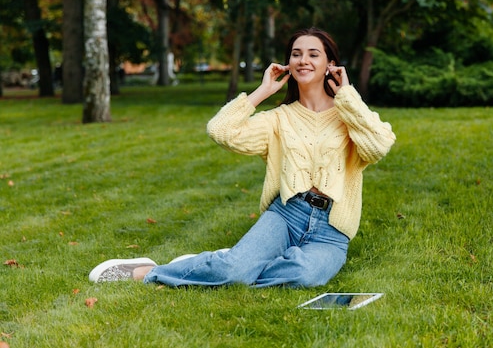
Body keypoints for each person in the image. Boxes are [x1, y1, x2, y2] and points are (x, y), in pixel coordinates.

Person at [89, 27, 396, 288]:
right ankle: (151, 271)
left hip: (332, 229)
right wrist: (262, 91)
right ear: (288, 62)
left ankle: (225, 263)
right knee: (234, 273)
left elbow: (379, 145)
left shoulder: (350, 117)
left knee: (305, 276)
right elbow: (221, 130)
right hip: (287, 214)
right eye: (296, 53)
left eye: (314, 54)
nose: (303, 60)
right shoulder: (279, 119)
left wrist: (347, 96)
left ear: (331, 63)